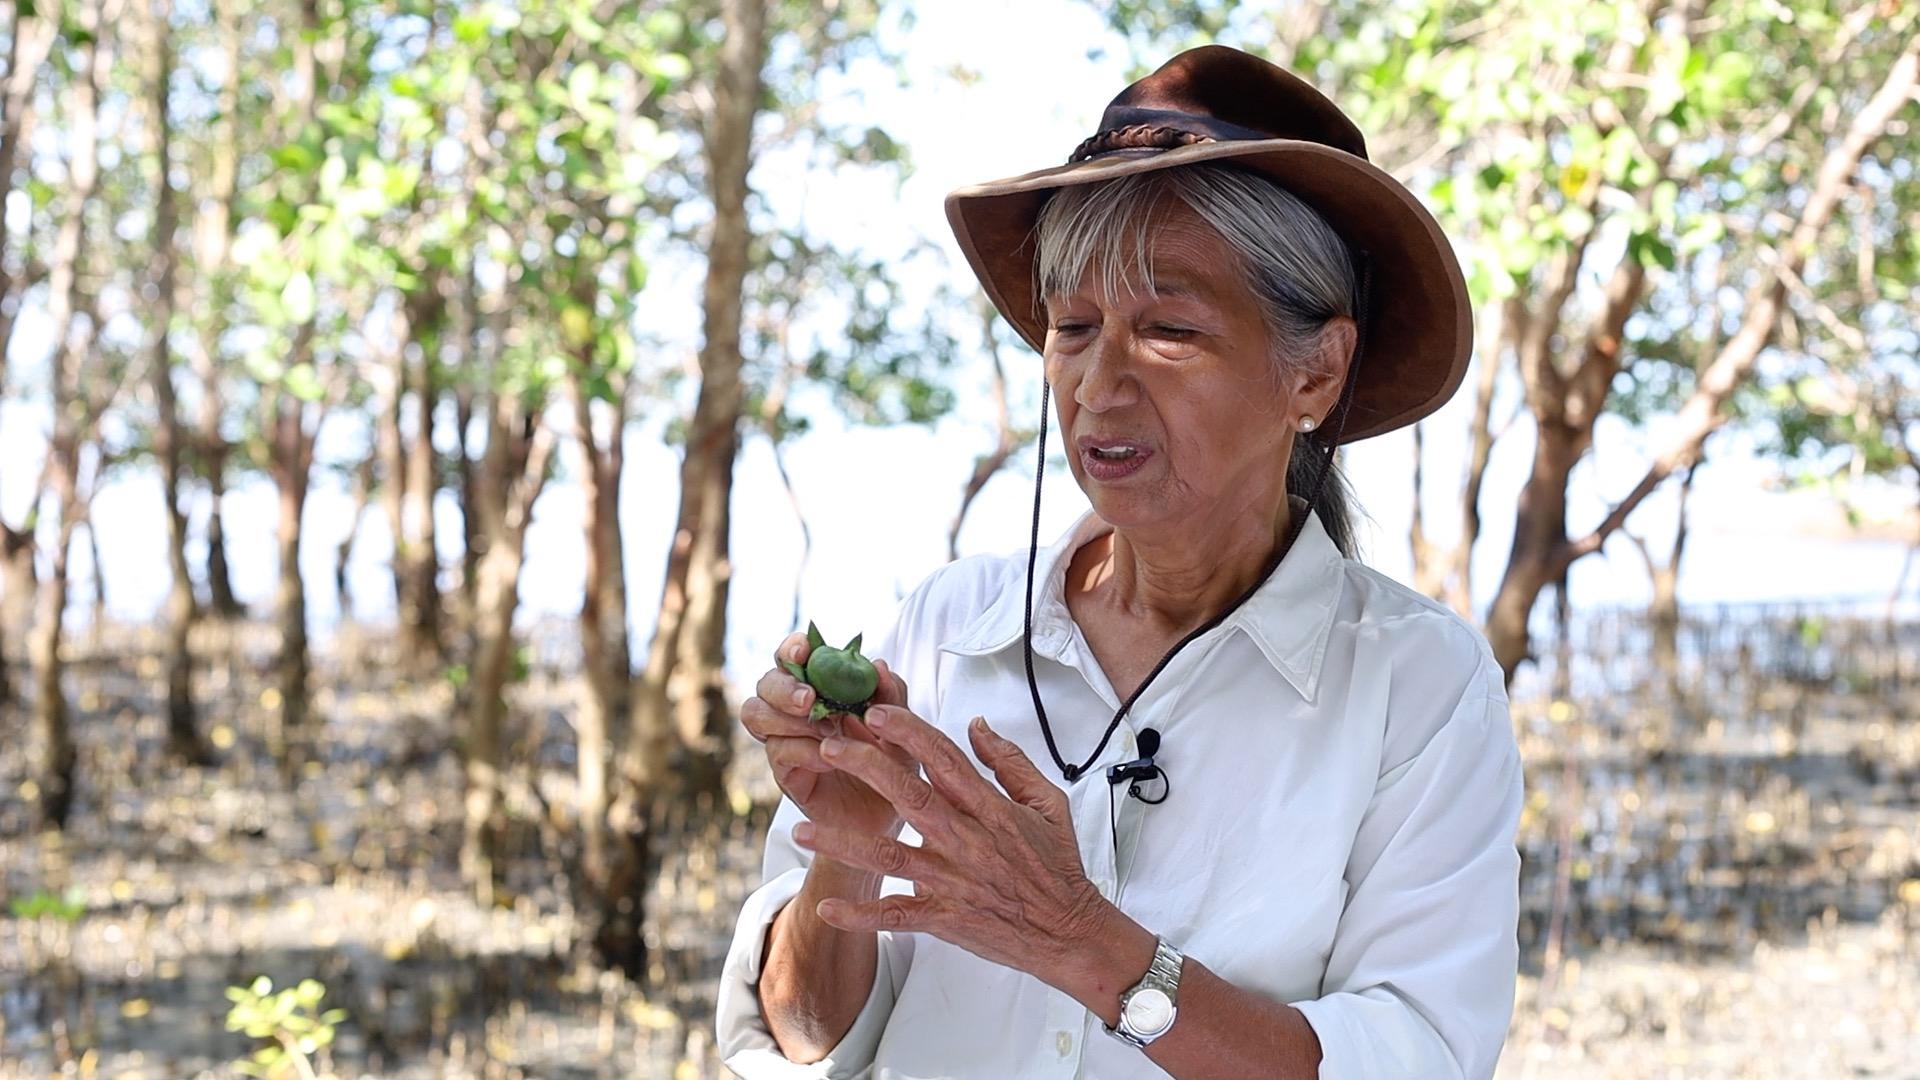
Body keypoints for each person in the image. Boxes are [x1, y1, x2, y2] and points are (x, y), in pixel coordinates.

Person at [715, 45, 1523, 1079]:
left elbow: (1418, 1057)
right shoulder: (948, 628)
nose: (1098, 387)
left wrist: (1081, 941)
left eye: (1169, 329)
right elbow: (799, 1038)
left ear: (1314, 373)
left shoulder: (1417, 688)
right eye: (1074, 327)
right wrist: (849, 842)